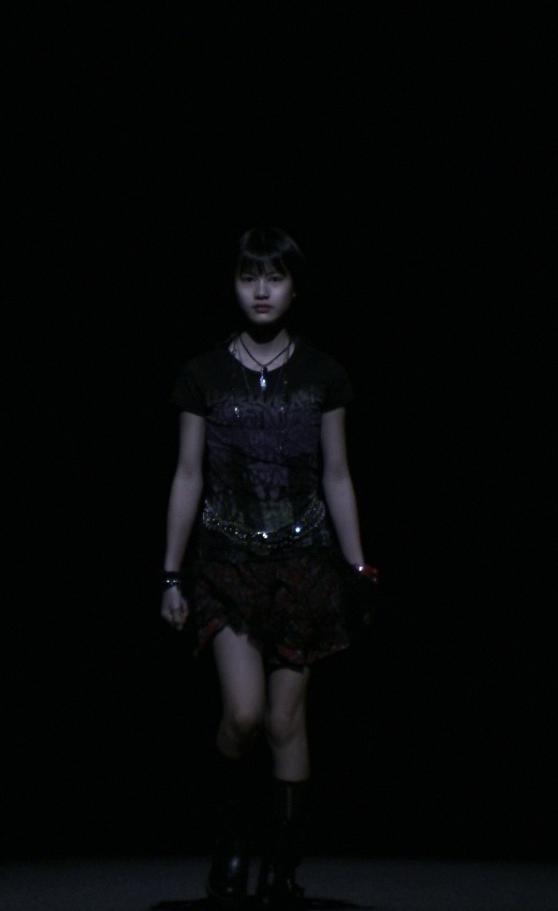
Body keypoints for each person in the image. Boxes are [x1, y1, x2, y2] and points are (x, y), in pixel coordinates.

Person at [161, 227, 378, 909]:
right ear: (233, 283)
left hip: (304, 565)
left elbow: (337, 474)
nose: (261, 290)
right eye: (249, 276)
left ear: (294, 287)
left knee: (286, 724)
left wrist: (357, 566)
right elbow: (188, 473)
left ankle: (282, 866)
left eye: (275, 277)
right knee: (245, 714)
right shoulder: (202, 373)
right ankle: (230, 845)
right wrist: (170, 574)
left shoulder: (323, 373)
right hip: (226, 562)